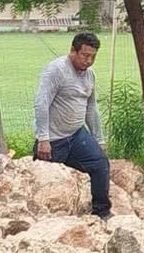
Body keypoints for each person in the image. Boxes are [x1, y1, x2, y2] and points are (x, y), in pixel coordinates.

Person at [33, 32, 111, 219]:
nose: (89, 61)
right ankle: (44, 219)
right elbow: (41, 103)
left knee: (100, 164)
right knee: (46, 182)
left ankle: (101, 213)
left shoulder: (90, 75)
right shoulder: (56, 70)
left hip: (77, 135)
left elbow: (91, 108)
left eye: (93, 56)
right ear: (73, 51)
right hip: (53, 138)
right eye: (85, 55)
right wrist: (43, 138)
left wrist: (98, 138)